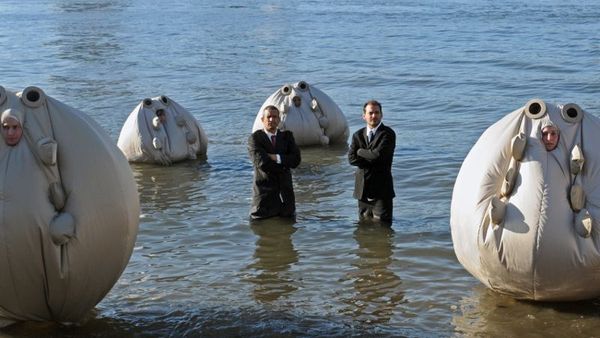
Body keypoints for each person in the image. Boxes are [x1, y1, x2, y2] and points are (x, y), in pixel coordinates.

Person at [248, 105, 301, 220]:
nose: (272, 119)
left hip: (286, 197)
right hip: (264, 198)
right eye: (269, 117)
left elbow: (296, 160)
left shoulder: (287, 136)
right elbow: (263, 163)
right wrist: (285, 164)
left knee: (288, 232)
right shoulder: (255, 139)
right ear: (262, 120)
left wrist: (277, 157)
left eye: (275, 117)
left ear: (279, 119)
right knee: (262, 232)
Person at [348, 100, 396, 224]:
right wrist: (368, 156)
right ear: (364, 116)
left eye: (377, 112)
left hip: (381, 190)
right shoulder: (357, 135)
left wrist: (359, 152)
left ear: (381, 114)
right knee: (362, 228)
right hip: (362, 189)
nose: (374, 116)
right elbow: (351, 159)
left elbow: (377, 156)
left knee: (383, 228)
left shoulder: (388, 134)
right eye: (370, 113)